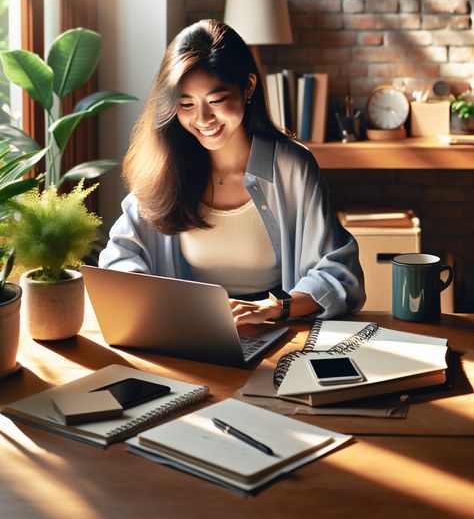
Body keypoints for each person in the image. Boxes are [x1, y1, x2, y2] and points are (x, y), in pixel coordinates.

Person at [99, 19, 365, 325]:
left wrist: (274, 308)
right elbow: (117, 260)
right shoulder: (166, 165)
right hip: (188, 332)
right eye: (185, 104)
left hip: (275, 331)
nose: (203, 119)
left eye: (216, 100)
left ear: (248, 87)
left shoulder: (292, 167)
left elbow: (339, 274)